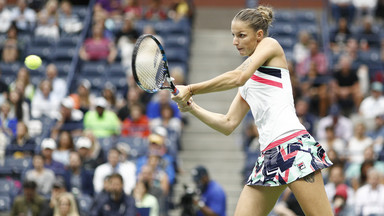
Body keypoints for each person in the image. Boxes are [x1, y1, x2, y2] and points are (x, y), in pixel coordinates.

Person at [172, 6, 334, 216]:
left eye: (241, 35)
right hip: (269, 157)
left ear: (258, 35)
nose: (235, 41)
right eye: (233, 35)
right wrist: (192, 106)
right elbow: (228, 123)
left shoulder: (270, 45)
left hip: (293, 147)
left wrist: (192, 88)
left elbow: (238, 75)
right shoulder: (247, 84)